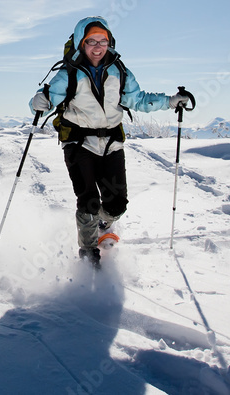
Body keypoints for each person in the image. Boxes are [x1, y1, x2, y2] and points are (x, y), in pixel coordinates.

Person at [29, 16, 189, 268]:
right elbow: (45, 99)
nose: (97, 46)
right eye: (91, 40)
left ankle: (104, 223)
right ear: (82, 43)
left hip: (112, 142)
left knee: (116, 205)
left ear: (109, 42)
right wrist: (38, 102)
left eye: (102, 40)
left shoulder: (119, 70)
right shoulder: (68, 73)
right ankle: (88, 249)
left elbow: (137, 99)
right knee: (89, 201)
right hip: (79, 143)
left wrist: (170, 101)